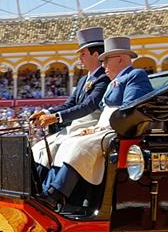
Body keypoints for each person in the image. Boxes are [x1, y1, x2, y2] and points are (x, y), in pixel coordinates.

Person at [41, 36, 153, 209]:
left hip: (118, 131)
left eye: (106, 61)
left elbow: (129, 109)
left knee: (80, 145)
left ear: (121, 59)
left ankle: (57, 192)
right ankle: (52, 190)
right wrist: (95, 128)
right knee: (70, 141)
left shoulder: (135, 75)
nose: (103, 65)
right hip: (104, 128)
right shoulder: (114, 81)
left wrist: (99, 129)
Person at [29, 27, 111, 178]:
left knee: (57, 147)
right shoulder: (82, 80)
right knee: (42, 148)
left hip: (90, 126)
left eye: (83, 54)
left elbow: (88, 106)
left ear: (96, 54)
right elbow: (70, 103)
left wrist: (56, 117)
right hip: (77, 126)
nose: (80, 58)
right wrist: (47, 112)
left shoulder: (104, 79)